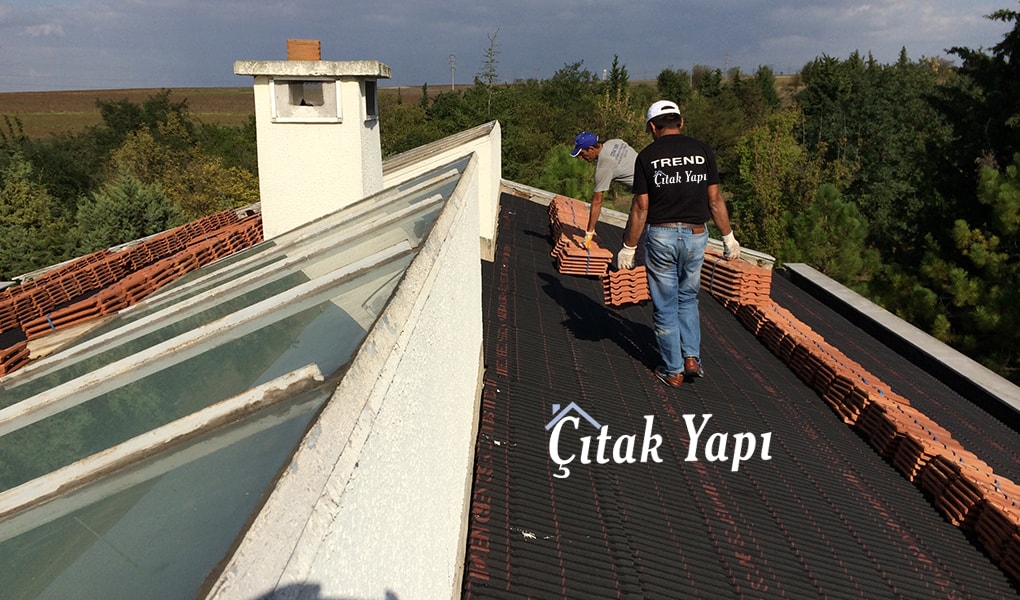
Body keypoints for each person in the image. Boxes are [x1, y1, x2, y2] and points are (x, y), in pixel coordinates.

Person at [616, 100, 741, 388]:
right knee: (688, 298)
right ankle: (691, 358)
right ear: (681, 122)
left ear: (652, 127)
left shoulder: (647, 156)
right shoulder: (702, 150)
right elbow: (714, 199)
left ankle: (673, 370)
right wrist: (728, 237)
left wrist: (629, 247)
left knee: (665, 304)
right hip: (697, 236)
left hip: (662, 235)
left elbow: (641, 207)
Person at [570, 132, 638, 248]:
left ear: (591, 149)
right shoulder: (615, 142)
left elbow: (597, 202)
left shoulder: (604, 166)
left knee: (634, 235)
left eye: (582, 153)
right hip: (655, 181)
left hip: (651, 194)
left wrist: (589, 234)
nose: (581, 158)